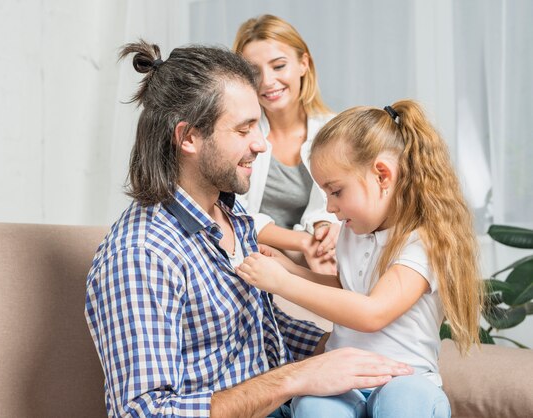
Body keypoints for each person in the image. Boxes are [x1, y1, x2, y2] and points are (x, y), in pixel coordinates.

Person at [84, 40, 413, 418]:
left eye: (258, 124)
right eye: (243, 130)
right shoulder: (143, 255)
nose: (260, 143)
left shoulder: (230, 215)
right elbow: (143, 413)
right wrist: (296, 378)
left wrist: (344, 348)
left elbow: (258, 331)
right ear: (188, 137)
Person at [236, 100, 483, 417]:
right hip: (343, 381)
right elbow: (345, 292)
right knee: (313, 407)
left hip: (404, 379)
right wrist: (289, 268)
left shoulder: (424, 243)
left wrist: (283, 283)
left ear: (382, 176)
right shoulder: (351, 234)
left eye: (336, 191)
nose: (328, 207)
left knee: (404, 402)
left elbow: (372, 312)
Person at [233, 14, 339, 274]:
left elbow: (336, 204)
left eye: (279, 66)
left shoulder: (335, 131)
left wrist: (325, 227)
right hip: (256, 255)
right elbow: (233, 212)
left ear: (304, 64)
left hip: (317, 256)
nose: (267, 81)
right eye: (254, 72)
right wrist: (304, 242)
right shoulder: (237, 136)